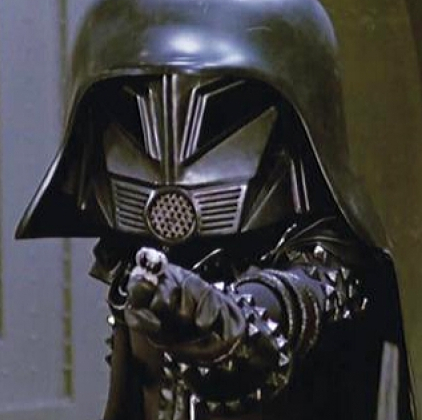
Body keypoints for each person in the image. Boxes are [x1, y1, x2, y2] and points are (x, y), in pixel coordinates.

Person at [16, 0, 414, 419]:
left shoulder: (326, 255)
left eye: (222, 113)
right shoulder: (137, 257)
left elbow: (285, 310)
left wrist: (221, 326)